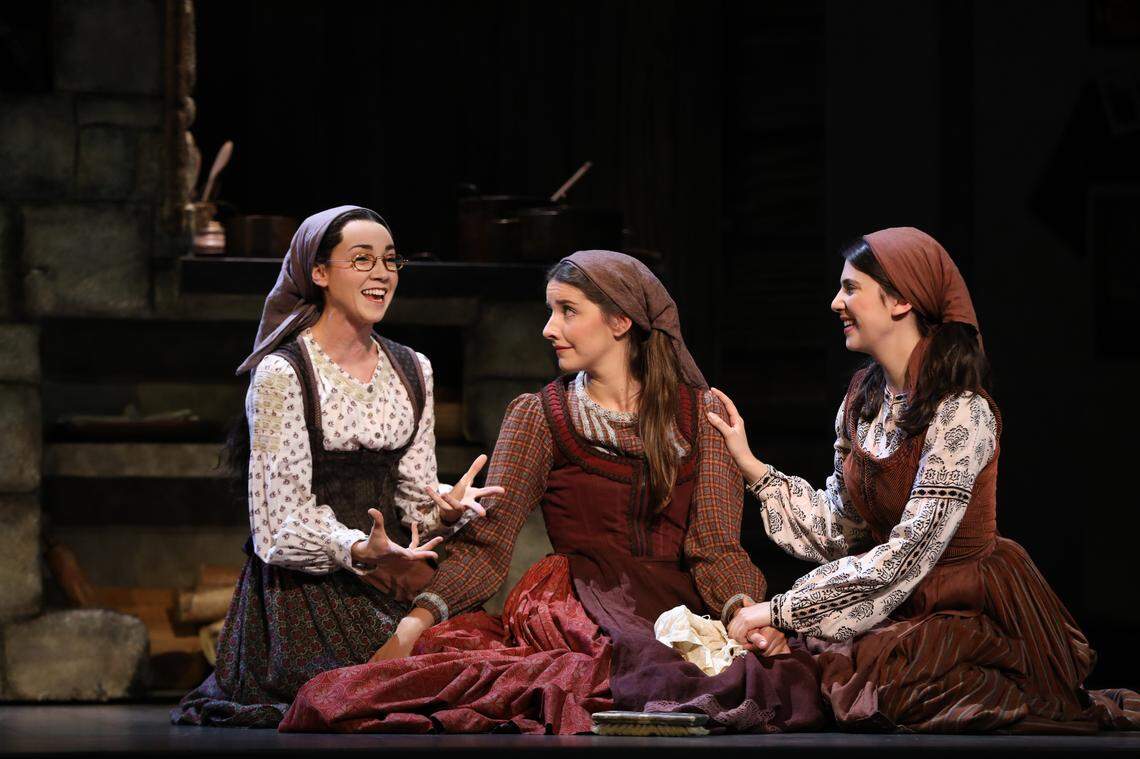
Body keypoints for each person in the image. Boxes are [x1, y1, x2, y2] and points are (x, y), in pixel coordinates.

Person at [280, 250, 824, 734]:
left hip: (674, 605)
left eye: (567, 310)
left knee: (770, 678)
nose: (548, 328)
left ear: (620, 321)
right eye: (550, 310)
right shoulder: (539, 416)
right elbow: (488, 546)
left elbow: (717, 547)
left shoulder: (702, 416)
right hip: (578, 602)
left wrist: (747, 613)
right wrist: (412, 625)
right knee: (592, 677)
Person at [710, 227, 1140, 732]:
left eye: (851, 288)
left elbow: (911, 552)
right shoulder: (863, 403)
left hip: (962, 606)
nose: (835, 303)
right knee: (804, 677)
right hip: (893, 601)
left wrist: (783, 610)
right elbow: (841, 531)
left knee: (889, 692)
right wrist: (751, 466)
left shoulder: (961, 412)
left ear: (900, 302)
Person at [172, 206, 498, 727]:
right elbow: (277, 526)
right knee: (385, 694)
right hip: (307, 592)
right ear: (319, 273)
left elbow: (413, 496)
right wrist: (356, 548)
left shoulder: (414, 368)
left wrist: (445, 507)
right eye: (362, 259)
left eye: (390, 260)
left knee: (483, 670)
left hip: (390, 578)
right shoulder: (284, 373)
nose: (381, 273)